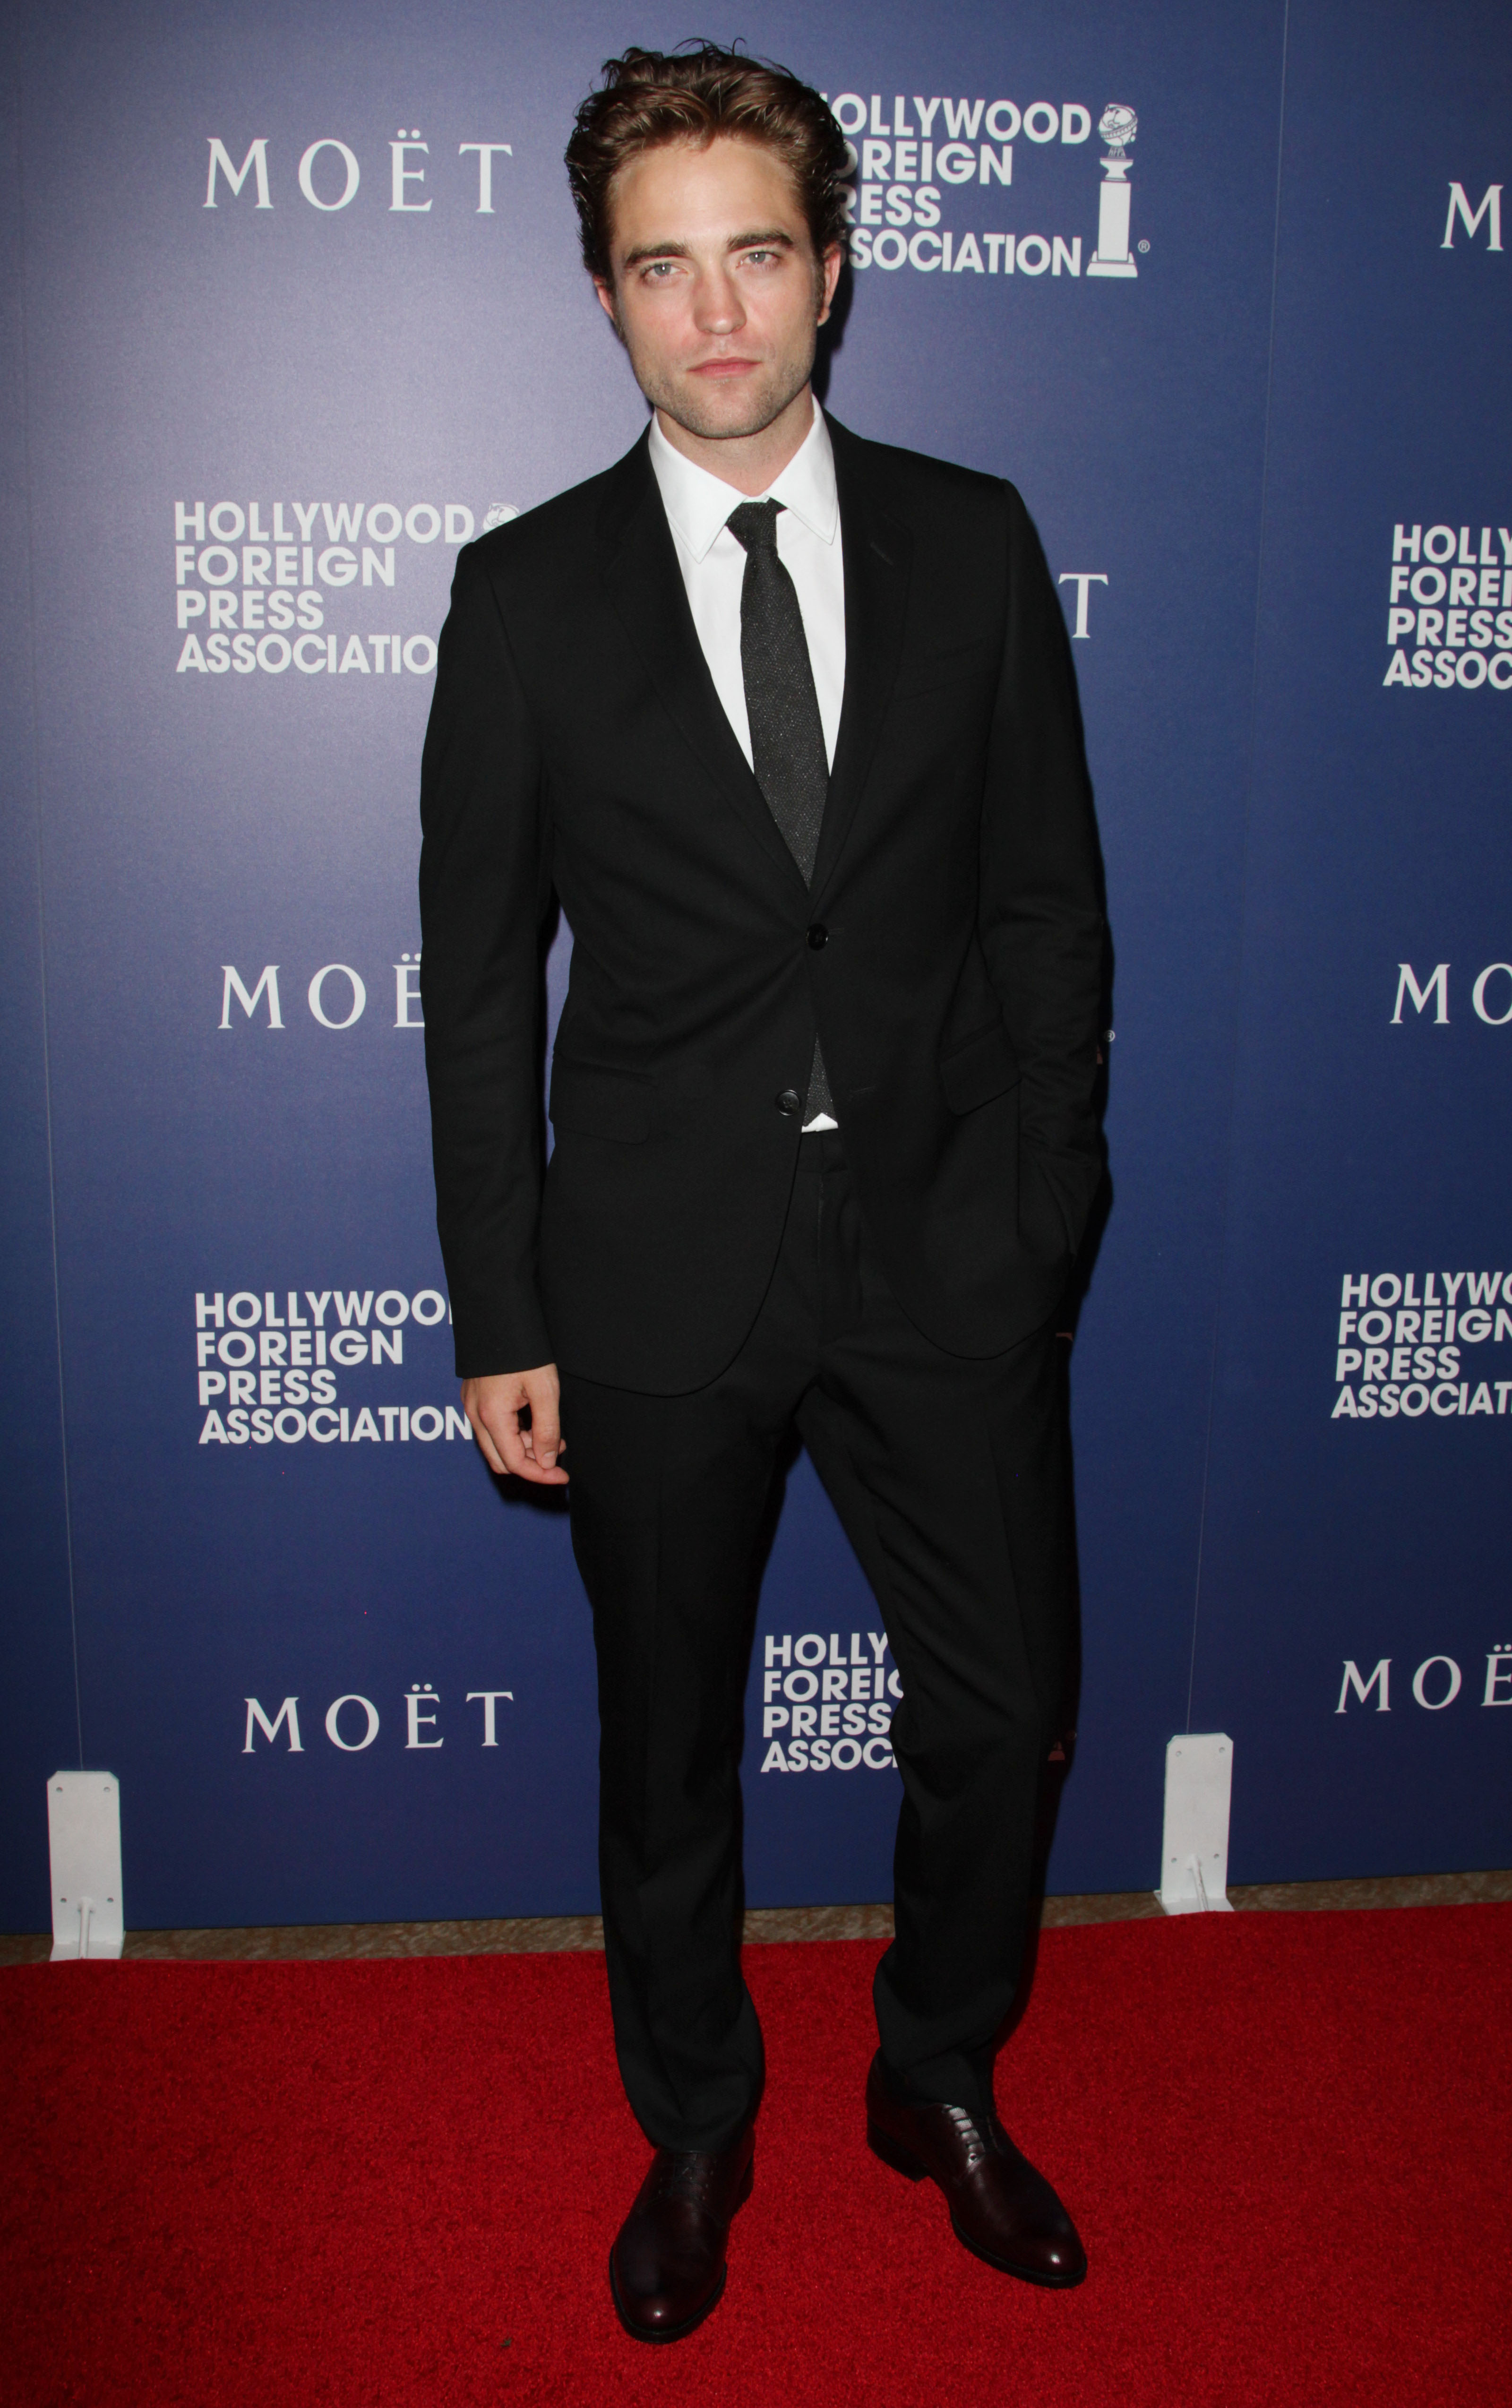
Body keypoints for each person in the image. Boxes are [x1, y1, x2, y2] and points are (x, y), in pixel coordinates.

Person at [419, 42, 1105, 2343]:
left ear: (830, 272)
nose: (712, 311)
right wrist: (501, 1307)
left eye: (753, 254)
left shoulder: (973, 543)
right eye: (659, 266)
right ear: (605, 296)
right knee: (668, 1745)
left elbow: (1045, 912)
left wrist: (1042, 1202)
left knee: (1001, 1709)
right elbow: (474, 984)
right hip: (648, 1267)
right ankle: (697, 2115)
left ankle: (936, 2072)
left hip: (942, 1249)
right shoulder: (521, 595)